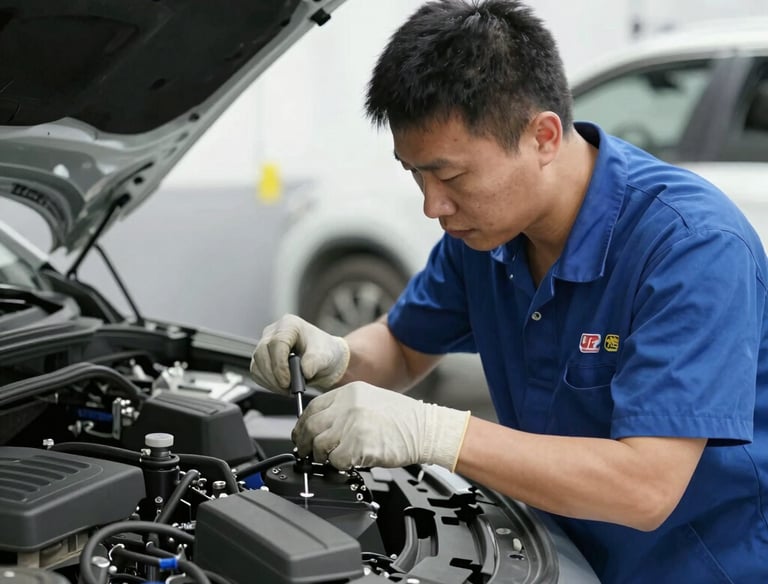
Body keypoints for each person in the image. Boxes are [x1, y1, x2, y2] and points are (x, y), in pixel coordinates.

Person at [250, 1, 768, 582]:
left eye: (450, 176)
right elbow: (401, 348)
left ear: (543, 136)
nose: (432, 206)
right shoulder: (486, 237)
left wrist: (435, 432)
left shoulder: (691, 248)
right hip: (558, 556)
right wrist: (338, 356)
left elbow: (645, 487)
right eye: (414, 174)